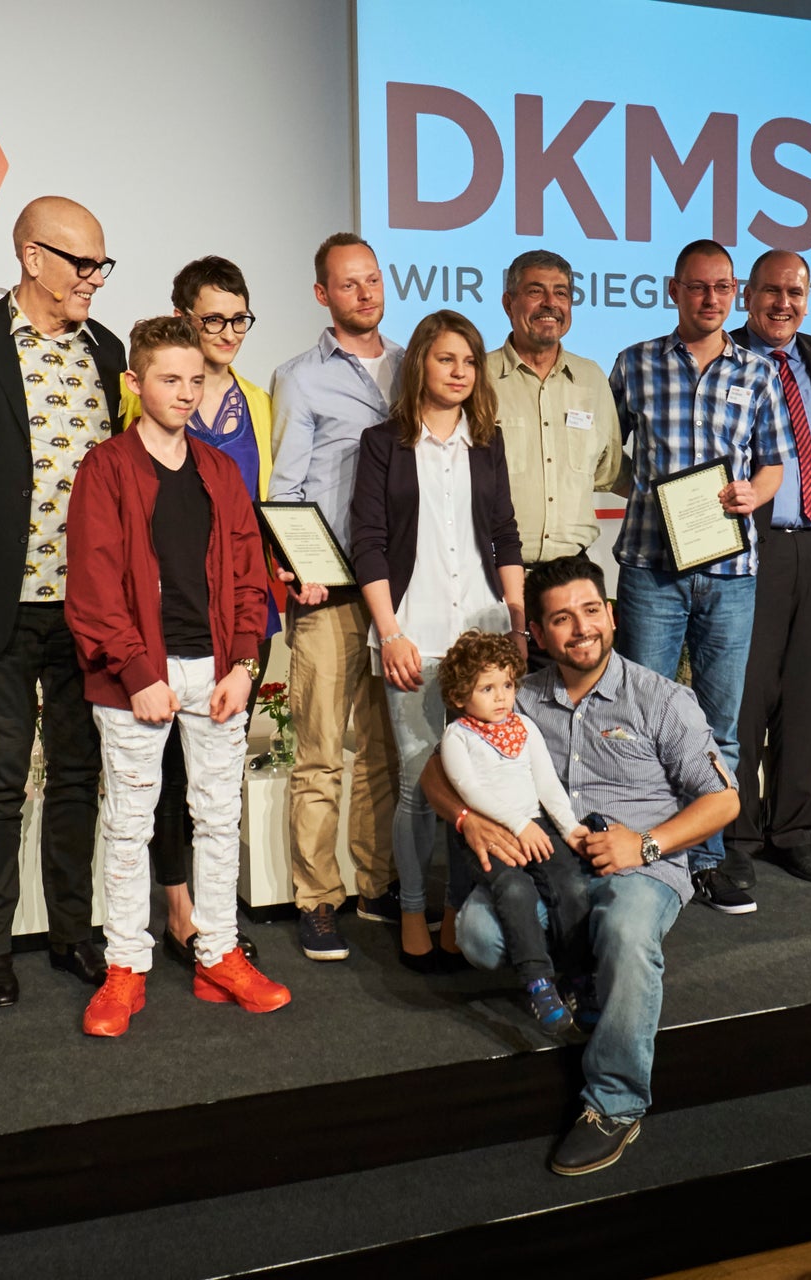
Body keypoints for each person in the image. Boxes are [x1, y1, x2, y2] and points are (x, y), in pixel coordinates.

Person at [420, 556, 738, 1176]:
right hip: (548, 861)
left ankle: (616, 1102)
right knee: (479, 934)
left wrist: (645, 845)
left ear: (612, 617)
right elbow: (435, 769)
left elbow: (724, 799)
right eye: (562, 619)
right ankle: (579, 977)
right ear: (539, 634)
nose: (581, 628)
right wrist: (465, 819)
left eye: (591, 611)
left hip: (640, 863)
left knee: (625, 930)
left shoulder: (661, 699)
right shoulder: (513, 697)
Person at [63, 314, 288, 1033]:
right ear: (135, 382)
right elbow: (93, 588)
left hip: (217, 675)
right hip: (138, 680)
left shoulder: (219, 470)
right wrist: (137, 672)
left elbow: (250, 576)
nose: (186, 392)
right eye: (169, 379)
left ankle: (218, 954)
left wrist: (245, 664)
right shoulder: (105, 468)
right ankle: (126, 967)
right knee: (129, 826)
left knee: (220, 820)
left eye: (195, 379)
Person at [0, 196, 120, 1007]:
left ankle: (73, 932)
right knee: (0, 779)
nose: (94, 279)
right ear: (33, 258)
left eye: (102, 265)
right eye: (83, 263)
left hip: (89, 613)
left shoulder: (107, 351)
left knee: (78, 776)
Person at [609, 239, 793, 916]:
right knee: (638, 721)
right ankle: (642, 853)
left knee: (719, 727)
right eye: (697, 286)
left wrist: (753, 493)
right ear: (674, 290)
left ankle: (709, 860)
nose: (710, 298)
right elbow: (607, 453)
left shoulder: (758, 371)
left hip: (731, 573)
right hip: (651, 569)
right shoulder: (634, 363)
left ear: (735, 293)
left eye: (721, 287)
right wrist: (648, 494)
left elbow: (774, 462)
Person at [350, 309, 527, 968]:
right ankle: (412, 908)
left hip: (483, 640)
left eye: (469, 361)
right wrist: (389, 631)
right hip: (413, 639)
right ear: (420, 362)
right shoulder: (383, 443)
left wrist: (517, 624)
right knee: (418, 785)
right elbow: (368, 543)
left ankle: (457, 908)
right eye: (446, 358)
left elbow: (504, 534)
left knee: (476, 784)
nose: (459, 372)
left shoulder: (487, 441)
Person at [119, 256, 275, 971]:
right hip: (163, 616)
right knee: (167, 778)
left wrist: (283, 567)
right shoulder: (143, 400)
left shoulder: (258, 402)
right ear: (183, 319)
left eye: (240, 319)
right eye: (214, 318)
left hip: (236, 610)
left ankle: (217, 926)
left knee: (217, 777)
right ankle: (177, 910)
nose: (229, 332)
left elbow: (263, 507)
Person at [268, 233, 403, 962]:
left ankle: (377, 884)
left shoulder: (414, 365)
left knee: (384, 751)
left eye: (372, 279)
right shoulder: (299, 378)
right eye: (348, 283)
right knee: (320, 754)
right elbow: (288, 489)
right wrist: (299, 568)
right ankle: (317, 898)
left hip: (399, 592)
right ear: (323, 294)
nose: (365, 293)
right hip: (329, 590)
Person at [727, 249, 811, 889]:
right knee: (746, 699)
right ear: (747, 294)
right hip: (755, 547)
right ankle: (739, 834)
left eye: (795, 293)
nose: (784, 304)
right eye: (772, 291)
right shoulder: (723, 357)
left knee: (807, 698)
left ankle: (794, 832)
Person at [435, 629, 592, 1034]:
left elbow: (547, 784)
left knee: (570, 885)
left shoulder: (525, 727)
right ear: (459, 696)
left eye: (507, 685)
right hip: (493, 834)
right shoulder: (457, 736)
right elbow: (470, 790)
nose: (502, 697)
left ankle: (577, 977)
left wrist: (570, 828)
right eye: (487, 688)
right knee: (516, 890)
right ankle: (539, 983)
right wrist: (518, 825)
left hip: (537, 826)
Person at [488, 249, 621, 671]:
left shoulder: (592, 379)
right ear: (508, 302)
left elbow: (608, 469)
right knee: (495, 703)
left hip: (572, 582)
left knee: (577, 704)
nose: (551, 303)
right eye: (536, 291)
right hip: (495, 581)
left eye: (561, 293)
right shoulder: (479, 379)